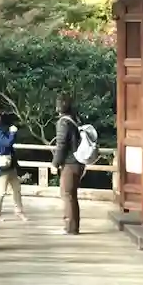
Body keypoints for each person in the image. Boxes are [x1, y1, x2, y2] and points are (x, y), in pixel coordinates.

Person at [0, 105, 27, 222]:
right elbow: (7, 143)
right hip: (3, 164)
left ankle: (19, 211)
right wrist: (12, 133)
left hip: (8, 162)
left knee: (16, 188)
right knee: (1, 191)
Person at [51, 93, 84, 235]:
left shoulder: (63, 122)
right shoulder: (75, 119)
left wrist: (55, 163)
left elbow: (61, 145)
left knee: (67, 195)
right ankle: (73, 226)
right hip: (78, 162)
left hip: (69, 163)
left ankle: (70, 227)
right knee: (72, 195)